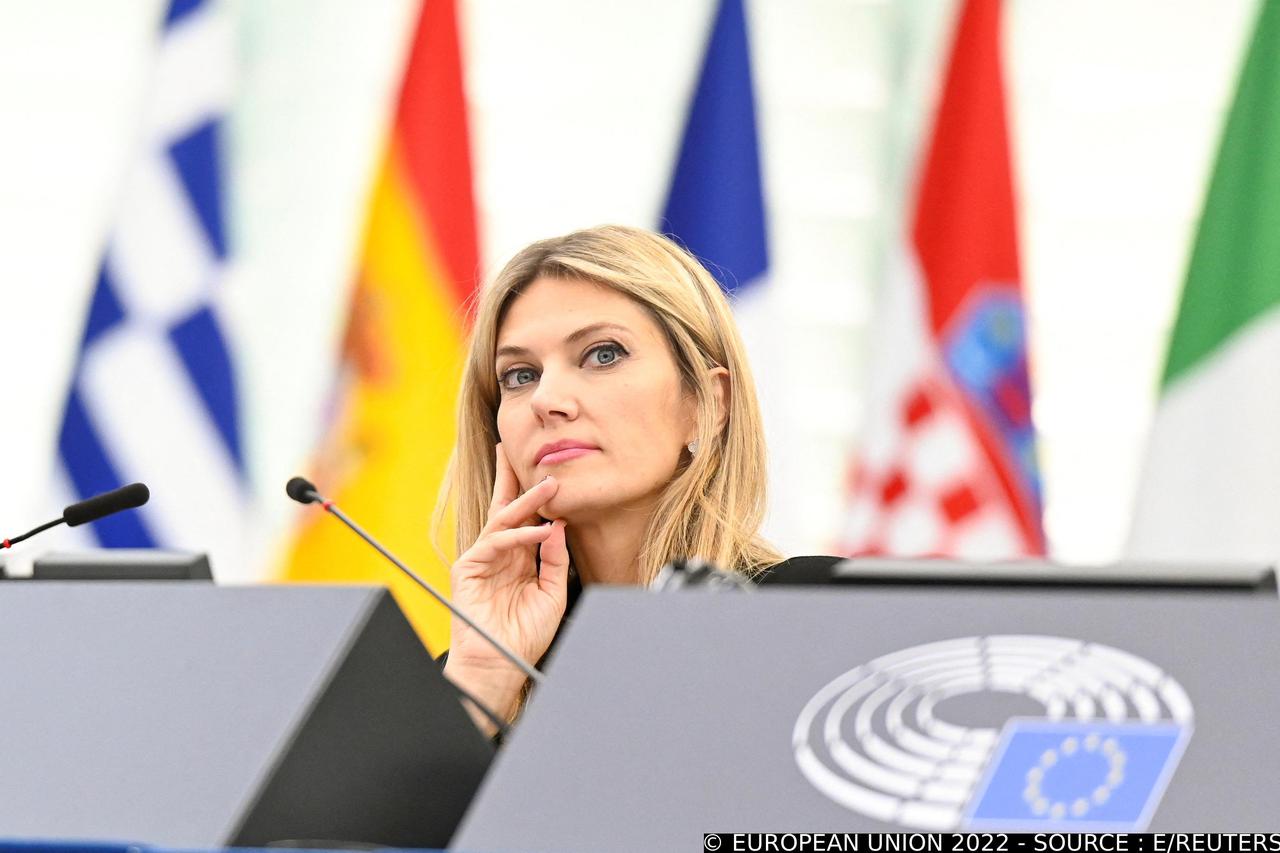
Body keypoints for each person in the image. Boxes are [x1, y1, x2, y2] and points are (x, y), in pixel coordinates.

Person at [436, 224, 833, 735]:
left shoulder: (819, 616)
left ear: (708, 404)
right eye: (520, 375)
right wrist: (483, 680)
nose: (546, 399)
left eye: (603, 354)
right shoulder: (463, 676)